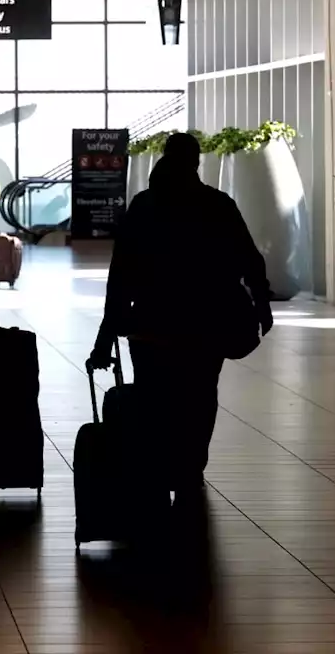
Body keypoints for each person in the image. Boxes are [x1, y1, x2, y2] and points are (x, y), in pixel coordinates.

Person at [87, 132, 274, 492]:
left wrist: (105, 338)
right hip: (206, 326)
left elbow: (120, 276)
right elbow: (249, 258)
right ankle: (190, 467)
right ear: (197, 162)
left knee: (154, 398)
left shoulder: (143, 207)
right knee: (200, 395)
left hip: (149, 327)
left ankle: (159, 464)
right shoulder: (217, 204)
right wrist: (261, 303)